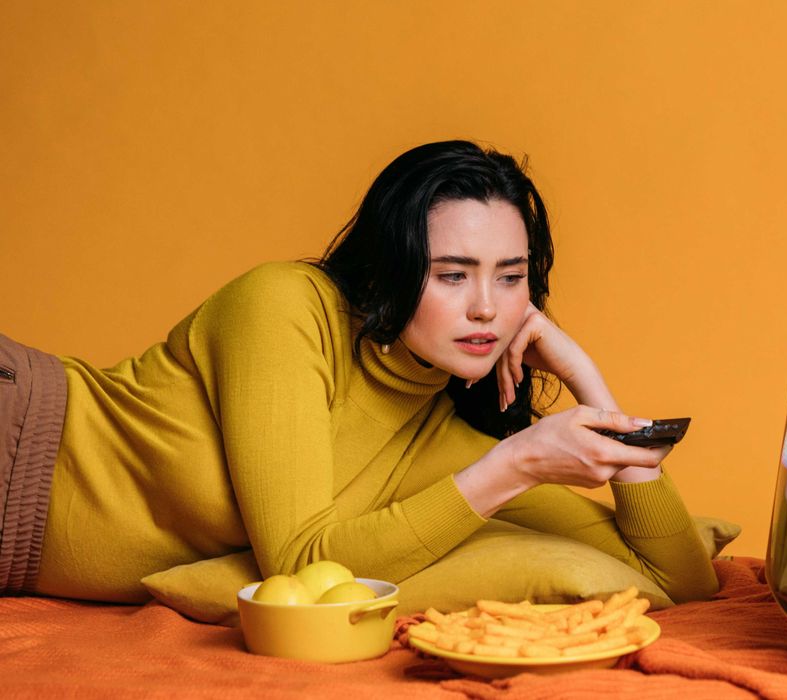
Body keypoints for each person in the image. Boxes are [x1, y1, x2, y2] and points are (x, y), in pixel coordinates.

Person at [0, 140, 718, 605]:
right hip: (22, 436)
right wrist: (518, 464)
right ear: (391, 268)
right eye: (450, 274)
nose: (484, 310)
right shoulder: (285, 307)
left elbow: (678, 582)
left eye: (510, 277)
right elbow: (300, 561)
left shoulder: (452, 448)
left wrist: (588, 382)